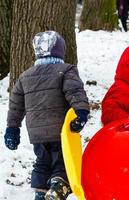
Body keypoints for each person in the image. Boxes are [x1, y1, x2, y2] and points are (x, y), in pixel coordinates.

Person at [4, 31, 90, 200]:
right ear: (60, 51)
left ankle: (40, 193)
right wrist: (81, 113)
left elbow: (15, 106)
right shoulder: (66, 70)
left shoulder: (25, 76)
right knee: (63, 162)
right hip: (60, 131)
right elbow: (75, 92)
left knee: (42, 162)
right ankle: (58, 188)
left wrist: (12, 129)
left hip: (37, 134)